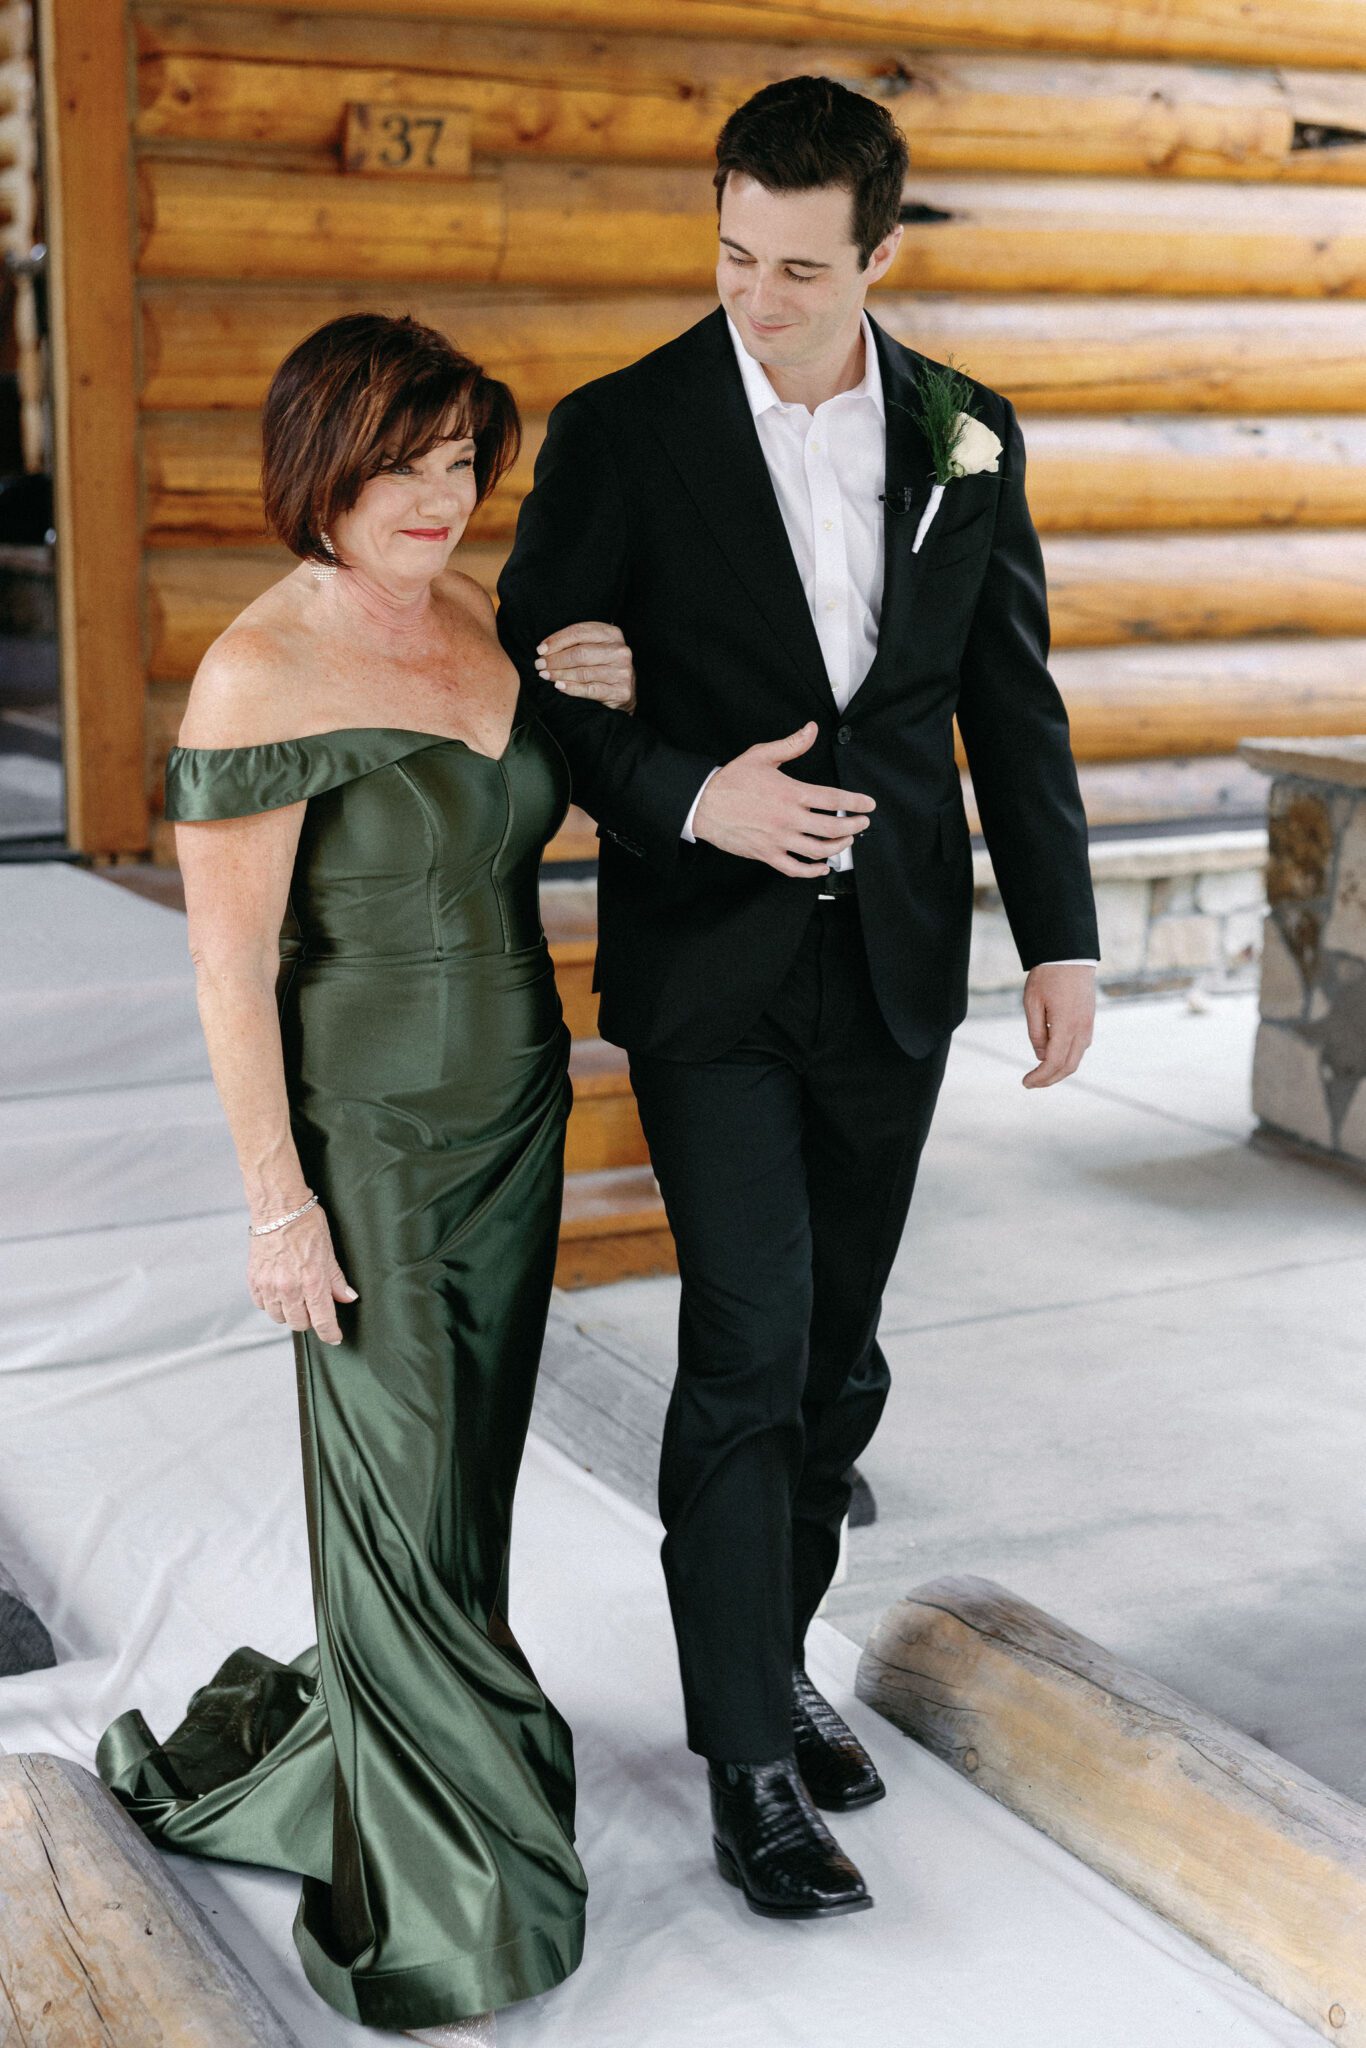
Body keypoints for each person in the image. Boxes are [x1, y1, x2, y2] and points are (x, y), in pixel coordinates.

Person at [497, 76, 1101, 1921]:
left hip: (898, 963)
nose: (754, 298)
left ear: (877, 255)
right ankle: (747, 1757)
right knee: (750, 1344)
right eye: (730, 253)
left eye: (795, 268)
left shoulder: (967, 435)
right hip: (708, 975)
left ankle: (772, 1658)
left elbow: (1010, 702)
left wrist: (1058, 936)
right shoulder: (618, 431)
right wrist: (687, 788)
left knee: (838, 1355)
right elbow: (541, 690)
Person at [96, 313, 633, 2040]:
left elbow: (535, 790)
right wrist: (277, 1197)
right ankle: (445, 1893)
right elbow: (225, 971)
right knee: (395, 1498)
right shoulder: (258, 672)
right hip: (370, 1142)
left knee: (464, 1485)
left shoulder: (479, 617)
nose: (440, 496)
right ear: (320, 468)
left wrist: (604, 690)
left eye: (463, 460)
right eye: (401, 464)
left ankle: (412, 1752)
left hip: (513, 1113)